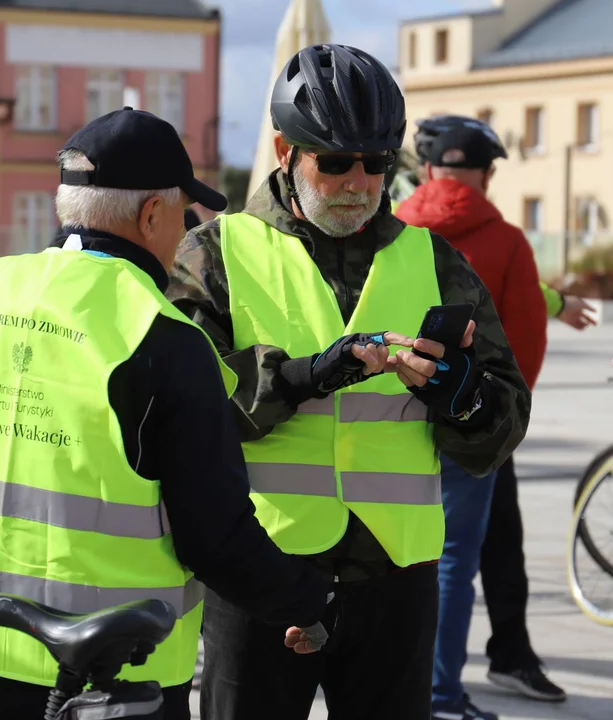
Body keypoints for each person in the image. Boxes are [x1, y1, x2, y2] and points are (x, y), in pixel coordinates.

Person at [0, 108, 345, 720]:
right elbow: (215, 538)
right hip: (119, 681)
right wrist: (307, 601)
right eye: (183, 215)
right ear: (150, 215)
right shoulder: (164, 336)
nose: (186, 232)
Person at [168, 44, 531, 720]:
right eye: (334, 162)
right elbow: (187, 407)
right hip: (261, 573)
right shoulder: (215, 253)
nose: (359, 182)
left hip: (397, 580)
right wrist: (305, 377)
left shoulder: (434, 260)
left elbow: (503, 423)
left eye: (376, 164)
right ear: (284, 148)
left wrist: (463, 398)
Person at [395, 115, 561, 716]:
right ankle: (441, 694)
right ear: (488, 174)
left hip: (385, 420)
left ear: (428, 170)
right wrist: (500, 420)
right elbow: (525, 342)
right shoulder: (509, 240)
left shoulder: (393, 227)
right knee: (453, 563)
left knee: (379, 556)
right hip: (469, 424)